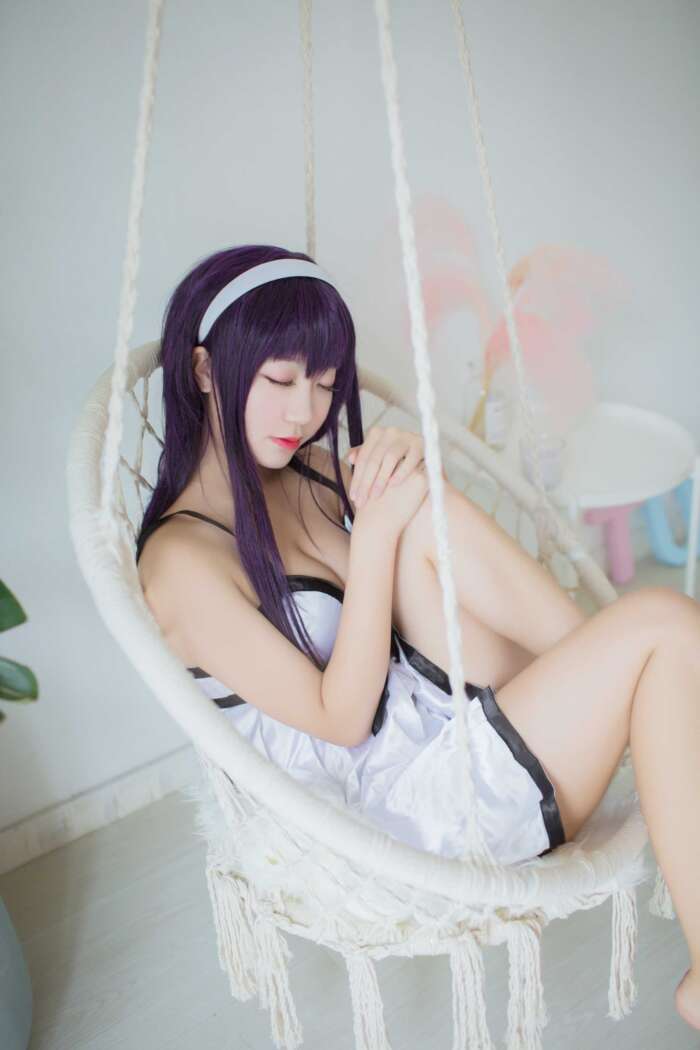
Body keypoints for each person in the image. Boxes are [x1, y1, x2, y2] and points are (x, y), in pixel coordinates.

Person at [135, 244, 700, 1029]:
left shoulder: (306, 473)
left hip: (431, 718)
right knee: (664, 623)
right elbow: (340, 719)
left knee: (418, 497)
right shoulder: (181, 565)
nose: (305, 411)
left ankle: (624, 682)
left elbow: (411, 574)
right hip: (404, 811)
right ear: (204, 371)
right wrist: (372, 537)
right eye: (280, 380)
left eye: (324, 384)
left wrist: (403, 476)